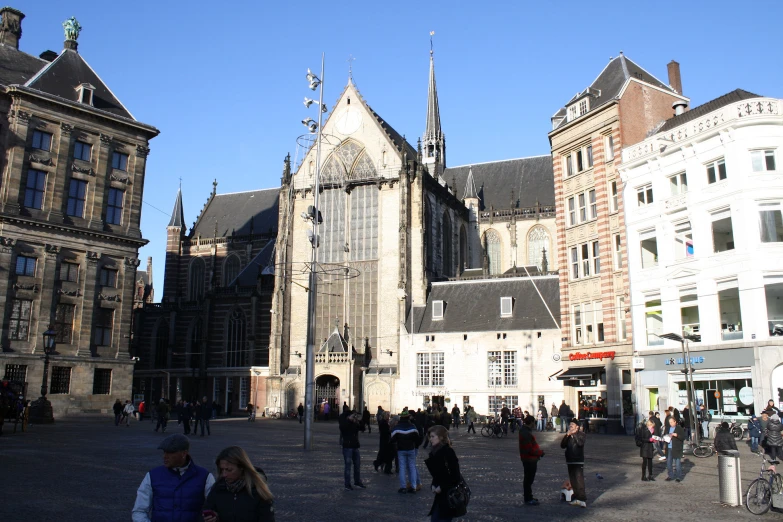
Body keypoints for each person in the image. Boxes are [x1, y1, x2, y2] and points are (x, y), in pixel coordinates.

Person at [132, 434, 215, 522]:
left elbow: (214, 510)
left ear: (184, 453)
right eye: (164, 452)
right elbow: (139, 510)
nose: (164, 456)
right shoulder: (152, 476)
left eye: (170, 452)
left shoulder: (205, 477)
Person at [202, 446, 275, 522]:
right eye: (222, 469)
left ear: (242, 467)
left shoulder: (258, 490)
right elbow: (206, 509)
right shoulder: (218, 487)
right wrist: (212, 518)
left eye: (229, 470)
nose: (224, 474)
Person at [424, 425, 466, 522]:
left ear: (441, 437)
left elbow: (455, 475)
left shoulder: (448, 452)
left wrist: (442, 487)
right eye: (430, 437)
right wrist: (434, 485)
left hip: (449, 494)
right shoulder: (434, 452)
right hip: (440, 495)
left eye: (433, 436)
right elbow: (437, 475)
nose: (430, 439)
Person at [390, 410, 421, 493]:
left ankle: (403, 487)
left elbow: (392, 439)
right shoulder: (412, 426)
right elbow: (417, 438)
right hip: (411, 449)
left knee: (402, 467)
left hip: (401, 450)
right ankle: (413, 486)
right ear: (408, 417)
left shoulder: (397, 428)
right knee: (412, 467)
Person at [518, 415, 544, 505]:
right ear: (531, 422)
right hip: (529, 459)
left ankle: (529, 496)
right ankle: (528, 498)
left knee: (528, 479)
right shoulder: (526, 433)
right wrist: (539, 453)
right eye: (534, 422)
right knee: (528, 479)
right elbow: (529, 449)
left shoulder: (525, 431)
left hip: (529, 458)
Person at [560, 418, 586, 508]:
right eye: (570, 424)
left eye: (572, 425)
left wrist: (574, 434)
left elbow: (580, 443)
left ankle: (582, 499)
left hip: (578, 460)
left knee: (579, 479)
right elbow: (562, 445)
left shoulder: (581, 434)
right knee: (573, 480)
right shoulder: (568, 435)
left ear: (577, 427)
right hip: (570, 460)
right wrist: (566, 436)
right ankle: (576, 497)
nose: (570, 426)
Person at [338, 408, 366, 490]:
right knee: (348, 466)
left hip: (355, 446)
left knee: (357, 465)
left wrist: (360, 421)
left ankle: (357, 481)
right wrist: (349, 420)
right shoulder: (344, 422)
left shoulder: (354, 423)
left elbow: (362, 428)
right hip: (347, 447)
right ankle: (347, 484)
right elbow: (343, 428)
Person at [664, 416, 685, 482]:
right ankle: (670, 475)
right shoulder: (667, 428)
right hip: (669, 447)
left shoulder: (679, 428)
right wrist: (665, 437)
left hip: (676, 448)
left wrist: (677, 435)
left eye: (671, 422)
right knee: (669, 463)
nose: (670, 424)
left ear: (675, 422)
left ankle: (678, 477)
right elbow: (664, 435)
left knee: (677, 463)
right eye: (669, 422)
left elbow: (683, 437)